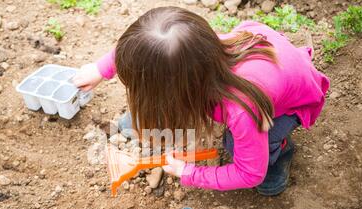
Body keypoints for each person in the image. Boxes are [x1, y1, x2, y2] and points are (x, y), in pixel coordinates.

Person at [73, 6, 330, 196]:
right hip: (257, 56)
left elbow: (250, 173)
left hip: (291, 101)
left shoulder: (243, 109)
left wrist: (189, 173)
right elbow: (143, 51)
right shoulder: (192, 48)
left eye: (150, 94)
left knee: (234, 144)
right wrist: (100, 70)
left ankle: (280, 149)